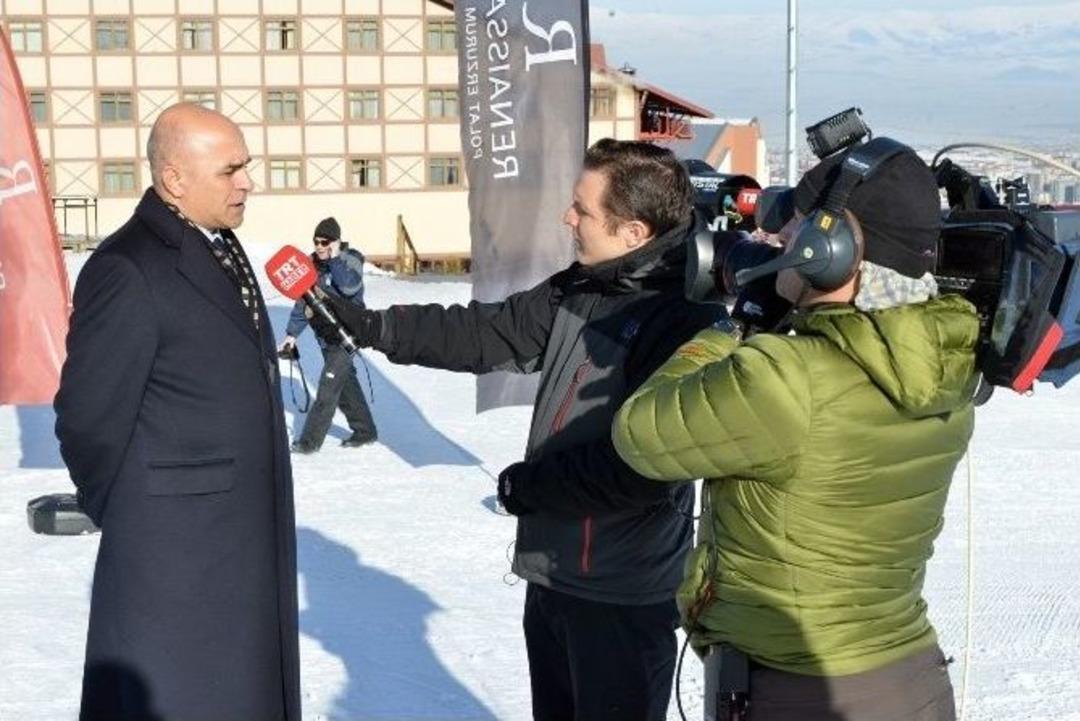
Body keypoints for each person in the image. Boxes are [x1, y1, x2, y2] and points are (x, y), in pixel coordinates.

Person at [308, 139, 724, 720]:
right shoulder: (586, 283)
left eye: (581, 209)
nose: (567, 217)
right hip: (553, 569)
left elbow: (647, 465)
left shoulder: (683, 318)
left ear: (634, 232)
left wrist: (531, 488)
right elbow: (488, 333)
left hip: (620, 589)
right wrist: (375, 326)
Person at [613, 144, 980, 720]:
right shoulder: (947, 369)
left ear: (830, 250)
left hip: (801, 690)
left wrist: (736, 326)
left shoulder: (786, 378)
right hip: (910, 680)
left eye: (795, 225)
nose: (778, 240)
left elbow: (640, 433)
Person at [54, 103, 300, 721]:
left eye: (246, 165)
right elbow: (88, 415)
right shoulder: (127, 267)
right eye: (231, 170)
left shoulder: (214, 239)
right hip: (175, 558)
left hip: (237, 542)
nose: (248, 181)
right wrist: (133, 511)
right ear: (175, 179)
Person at [280, 216, 377, 454]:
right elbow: (303, 302)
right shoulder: (311, 266)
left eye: (325, 242)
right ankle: (365, 431)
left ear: (336, 242)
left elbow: (349, 287)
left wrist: (334, 259)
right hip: (325, 336)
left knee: (328, 388)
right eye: (316, 242)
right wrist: (292, 334)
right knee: (346, 386)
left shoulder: (349, 260)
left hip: (347, 335)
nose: (320, 246)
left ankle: (309, 442)